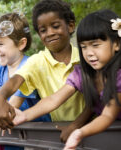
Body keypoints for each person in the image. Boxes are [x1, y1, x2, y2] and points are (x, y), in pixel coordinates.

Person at [0, 0, 91, 142]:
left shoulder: (87, 56)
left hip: (94, 128)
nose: (50, 33)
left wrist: (77, 125)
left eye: (55, 26)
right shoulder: (37, 61)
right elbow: (15, 80)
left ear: (70, 26)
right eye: (43, 30)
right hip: (61, 132)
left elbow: (96, 101)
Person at [0, 12, 51, 150]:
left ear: (21, 44)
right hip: (11, 128)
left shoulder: (28, 66)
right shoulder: (0, 70)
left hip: (37, 133)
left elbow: (13, 104)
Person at [62, 9, 121, 149]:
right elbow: (54, 99)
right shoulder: (88, 74)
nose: (89, 53)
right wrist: (25, 115)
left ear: (117, 44)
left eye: (95, 45)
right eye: (83, 47)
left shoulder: (119, 77)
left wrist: (79, 132)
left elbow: (108, 115)